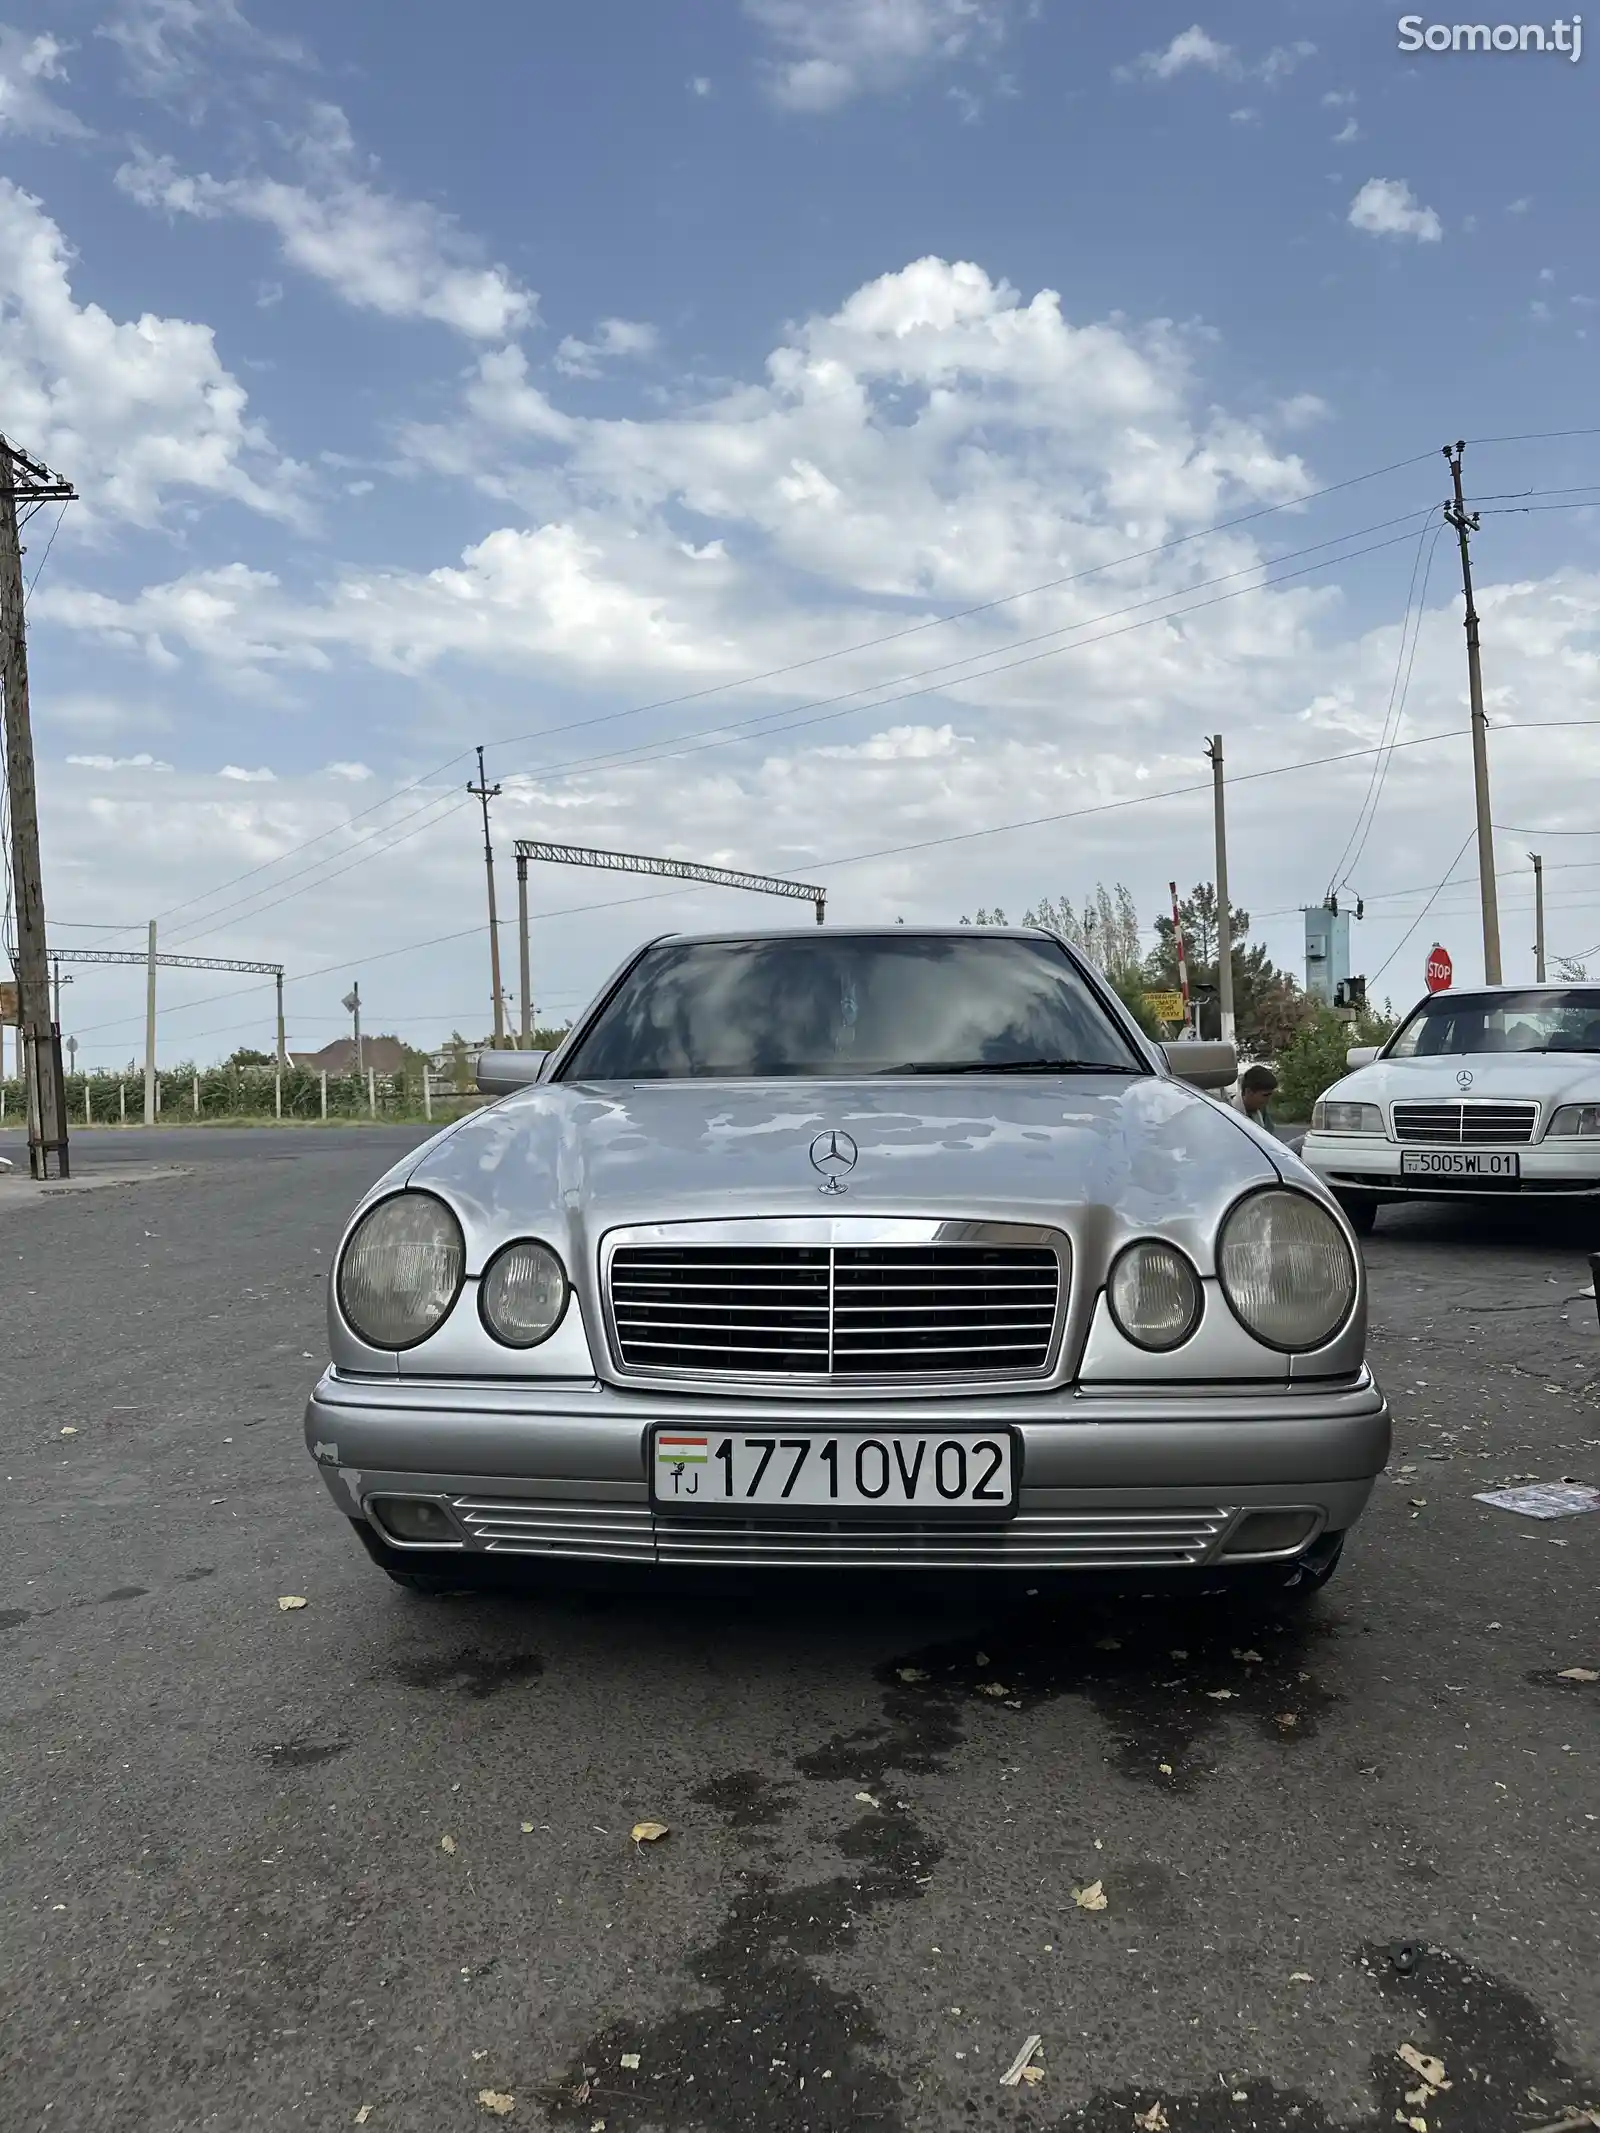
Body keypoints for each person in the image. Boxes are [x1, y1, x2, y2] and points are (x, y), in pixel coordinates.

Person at [1231, 1063, 1280, 1138]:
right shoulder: (1230, 1114)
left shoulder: (1261, 1110)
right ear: (1249, 1092)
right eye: (1265, 1095)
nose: (1268, 1100)